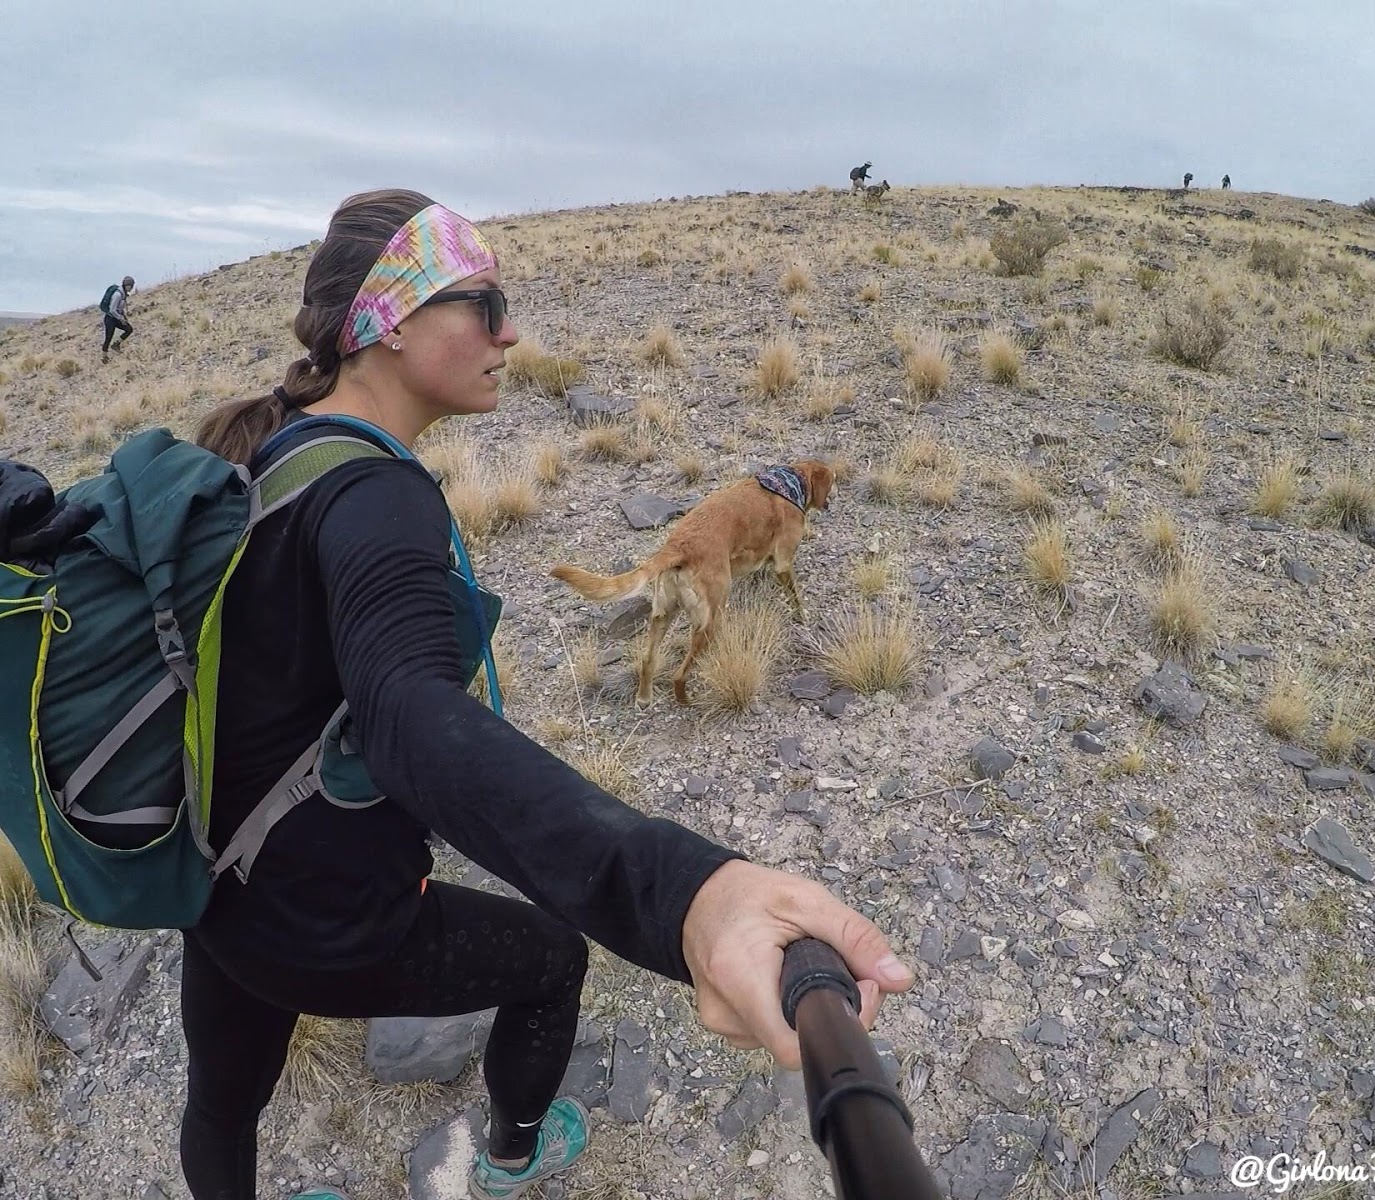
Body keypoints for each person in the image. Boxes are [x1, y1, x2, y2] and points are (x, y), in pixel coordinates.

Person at [184, 189, 916, 1200]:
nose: (509, 330)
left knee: (220, 1101)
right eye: (482, 303)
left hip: (211, 884)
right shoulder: (377, 497)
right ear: (389, 325)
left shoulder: (268, 453)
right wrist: (682, 892)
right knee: (551, 960)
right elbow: (407, 716)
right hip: (320, 915)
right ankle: (513, 1156)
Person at [100, 275, 135, 363]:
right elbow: (112, 309)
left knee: (129, 329)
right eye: (130, 286)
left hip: (117, 318)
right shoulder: (118, 295)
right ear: (126, 285)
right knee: (108, 338)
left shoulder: (123, 295)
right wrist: (120, 318)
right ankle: (104, 357)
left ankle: (116, 344)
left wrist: (123, 316)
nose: (131, 288)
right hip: (110, 318)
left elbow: (120, 308)